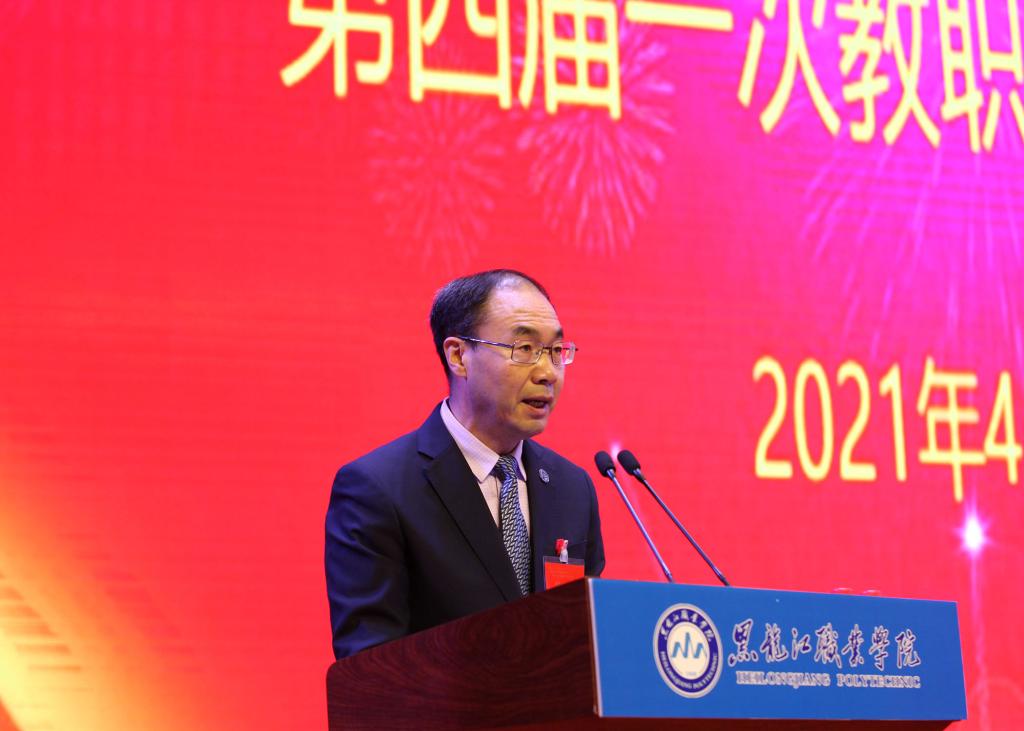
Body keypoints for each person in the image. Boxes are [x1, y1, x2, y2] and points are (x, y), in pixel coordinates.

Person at [326, 269, 605, 659]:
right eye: (525, 348)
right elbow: (370, 665)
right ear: (458, 356)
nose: (547, 373)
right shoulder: (378, 489)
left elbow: (586, 644)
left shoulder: (572, 489)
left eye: (556, 351)